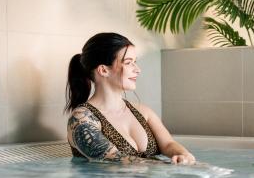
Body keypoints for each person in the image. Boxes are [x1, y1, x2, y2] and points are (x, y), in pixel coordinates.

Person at [65, 32, 195, 164]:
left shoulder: (143, 111)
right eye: (128, 63)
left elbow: (168, 144)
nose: (137, 69)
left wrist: (183, 155)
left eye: (135, 62)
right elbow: (116, 160)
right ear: (103, 70)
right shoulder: (82, 119)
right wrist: (169, 169)